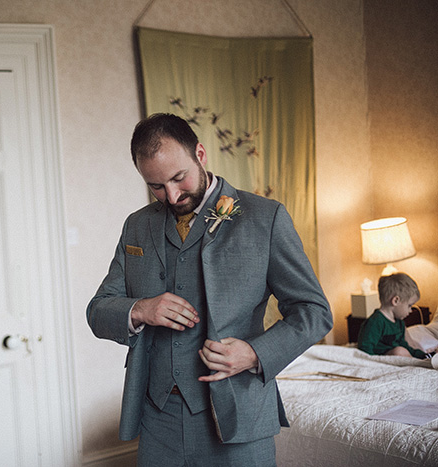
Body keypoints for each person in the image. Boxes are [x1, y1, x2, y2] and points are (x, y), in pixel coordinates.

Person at [86, 113, 333, 466]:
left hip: (238, 415)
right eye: (156, 186)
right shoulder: (137, 226)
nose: (170, 195)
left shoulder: (266, 218)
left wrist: (253, 353)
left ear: (200, 155)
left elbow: (314, 311)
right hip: (158, 418)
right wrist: (140, 308)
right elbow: (97, 311)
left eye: (178, 178)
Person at [357, 273, 430, 358]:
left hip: (399, 357)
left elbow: (406, 347)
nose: (410, 311)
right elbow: (365, 350)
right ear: (396, 301)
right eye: (409, 306)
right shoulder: (375, 322)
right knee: (399, 351)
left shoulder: (399, 323)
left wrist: (423, 356)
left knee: (402, 350)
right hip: (381, 360)